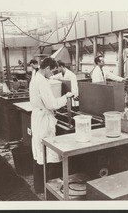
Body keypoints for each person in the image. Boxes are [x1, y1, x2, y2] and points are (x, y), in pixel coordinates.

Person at [29, 57, 73, 193]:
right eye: (52, 71)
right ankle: (47, 188)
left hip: (38, 117)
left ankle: (39, 186)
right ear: (47, 68)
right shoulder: (42, 82)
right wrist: (66, 97)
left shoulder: (35, 77)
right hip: (44, 120)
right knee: (47, 153)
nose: (52, 74)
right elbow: (52, 104)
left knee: (40, 152)